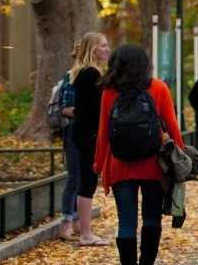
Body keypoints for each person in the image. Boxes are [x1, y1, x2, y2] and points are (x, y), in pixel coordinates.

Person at [94, 44, 184, 265]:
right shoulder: (158, 88)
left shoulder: (109, 91)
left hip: (119, 165)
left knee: (126, 221)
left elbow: (104, 131)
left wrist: (98, 164)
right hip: (153, 165)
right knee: (151, 218)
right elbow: (172, 126)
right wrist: (180, 157)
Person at [69, 32, 112, 246]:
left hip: (84, 133)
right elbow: (94, 110)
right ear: (92, 48)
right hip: (88, 134)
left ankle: (83, 228)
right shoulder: (90, 74)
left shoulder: (86, 72)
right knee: (87, 182)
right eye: (103, 46)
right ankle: (85, 233)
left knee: (86, 181)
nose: (107, 49)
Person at [58, 64, 79, 241]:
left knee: (83, 178)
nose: (107, 49)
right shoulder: (72, 76)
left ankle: (78, 221)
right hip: (73, 132)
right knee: (74, 178)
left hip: (88, 133)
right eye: (102, 46)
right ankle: (66, 223)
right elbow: (65, 108)